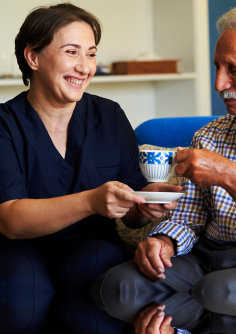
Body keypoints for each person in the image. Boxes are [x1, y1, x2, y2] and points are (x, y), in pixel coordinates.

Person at [93, 3, 236, 334]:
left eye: (234, 70)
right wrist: (164, 241)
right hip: (211, 256)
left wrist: (231, 176)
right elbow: (189, 216)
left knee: (221, 290)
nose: (219, 84)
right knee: (118, 285)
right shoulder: (210, 134)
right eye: (217, 67)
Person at [0, 3, 180, 334]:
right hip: (19, 250)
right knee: (24, 292)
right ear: (33, 58)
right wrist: (90, 201)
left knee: (113, 283)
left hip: (92, 248)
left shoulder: (109, 116)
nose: (84, 67)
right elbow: (10, 220)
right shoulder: (5, 124)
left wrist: (146, 202)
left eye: (91, 54)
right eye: (72, 52)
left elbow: (130, 213)